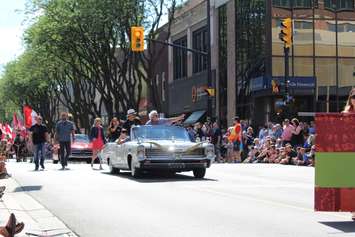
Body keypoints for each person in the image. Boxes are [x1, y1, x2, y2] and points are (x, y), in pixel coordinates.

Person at [342, 88, 355, 221]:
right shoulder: (346, 113)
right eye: (354, 96)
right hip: (349, 150)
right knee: (351, 181)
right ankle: (353, 209)